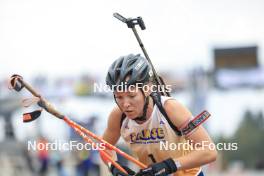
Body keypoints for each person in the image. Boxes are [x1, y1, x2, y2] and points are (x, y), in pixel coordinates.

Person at [101, 54, 217, 176]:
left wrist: (169, 166)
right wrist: (114, 167)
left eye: (131, 95)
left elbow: (209, 151)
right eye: (119, 97)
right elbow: (105, 147)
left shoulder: (170, 108)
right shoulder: (118, 116)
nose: (125, 104)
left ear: (147, 89)